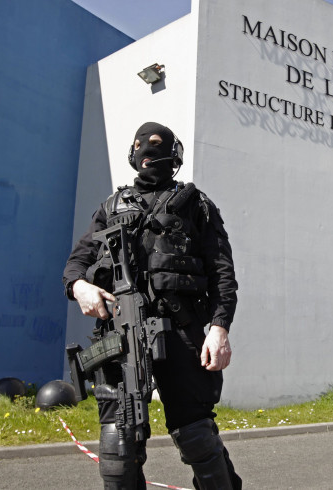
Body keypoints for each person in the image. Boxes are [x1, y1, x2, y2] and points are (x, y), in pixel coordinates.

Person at [63, 122, 241, 490]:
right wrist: (79, 286)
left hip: (181, 332)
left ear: (173, 153)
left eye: (156, 145)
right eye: (140, 146)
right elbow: (76, 263)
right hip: (119, 339)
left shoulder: (195, 204)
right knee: (118, 445)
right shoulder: (109, 208)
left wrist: (220, 329)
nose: (147, 151)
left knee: (197, 437)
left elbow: (222, 271)